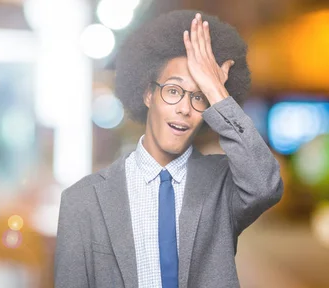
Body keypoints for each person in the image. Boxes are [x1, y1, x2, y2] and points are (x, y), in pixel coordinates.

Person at [54, 10, 283, 288]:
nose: (184, 109)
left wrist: (216, 92)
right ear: (148, 94)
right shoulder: (82, 202)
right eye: (173, 91)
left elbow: (266, 185)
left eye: (198, 97)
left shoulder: (223, 186)